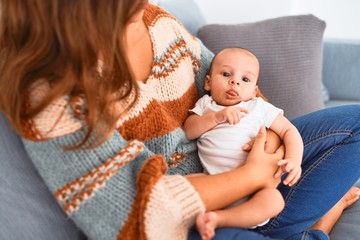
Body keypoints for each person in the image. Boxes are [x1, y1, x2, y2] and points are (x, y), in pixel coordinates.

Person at [0, 1, 359, 240]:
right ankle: (314, 226)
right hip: (196, 216)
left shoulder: (158, 22)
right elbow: (133, 213)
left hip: (261, 171)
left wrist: (272, 148)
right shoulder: (48, 88)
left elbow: (239, 86)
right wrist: (250, 175)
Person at [183, 47, 303, 238]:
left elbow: (290, 131)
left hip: (254, 192)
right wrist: (216, 118)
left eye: (245, 79)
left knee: (274, 201)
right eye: (226, 74)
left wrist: (294, 160)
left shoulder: (258, 106)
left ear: (254, 90)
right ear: (208, 82)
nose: (235, 81)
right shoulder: (206, 105)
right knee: (185, 186)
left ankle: (221, 219)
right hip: (214, 183)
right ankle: (214, 218)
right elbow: (188, 131)